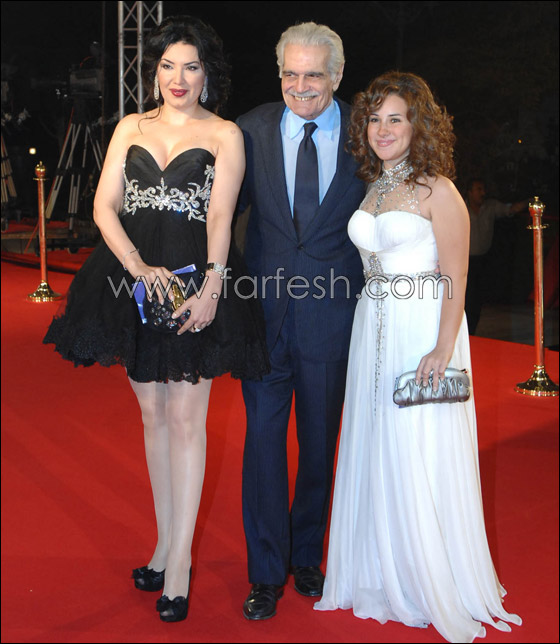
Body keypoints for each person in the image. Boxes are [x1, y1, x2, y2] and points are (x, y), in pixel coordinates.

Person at [43, 15, 269, 623]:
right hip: (133, 281)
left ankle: (180, 567)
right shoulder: (129, 127)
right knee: (152, 415)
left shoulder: (224, 134)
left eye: (191, 66)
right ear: (154, 73)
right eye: (168, 65)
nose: (178, 78)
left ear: (207, 74)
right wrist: (138, 267)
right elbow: (103, 207)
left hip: (197, 281)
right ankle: (165, 546)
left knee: (187, 420)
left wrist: (214, 286)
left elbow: (220, 216)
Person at [314, 72, 522, 643]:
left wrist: (443, 347)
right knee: (376, 440)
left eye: (395, 119)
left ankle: (426, 573)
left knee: (417, 446)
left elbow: (457, 275)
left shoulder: (439, 190)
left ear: (417, 126)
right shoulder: (373, 188)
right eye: (374, 119)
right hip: (372, 326)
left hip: (422, 328)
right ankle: (378, 570)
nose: (383, 130)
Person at [235, 22, 364, 620]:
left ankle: (306, 553)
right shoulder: (251, 129)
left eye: (314, 74)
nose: (300, 86)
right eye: (290, 73)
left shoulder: (366, 133)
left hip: (332, 319)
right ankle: (265, 572)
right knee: (263, 447)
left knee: (318, 445)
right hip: (262, 316)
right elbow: (221, 212)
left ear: (336, 75)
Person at [464, 178, 528, 333]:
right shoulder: (461, 207)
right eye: (478, 189)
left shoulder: (490, 207)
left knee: (477, 300)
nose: (483, 193)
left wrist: (531, 201)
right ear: (470, 192)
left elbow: (511, 209)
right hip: (464, 261)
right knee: (465, 299)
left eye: (483, 189)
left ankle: (472, 332)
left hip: (482, 260)